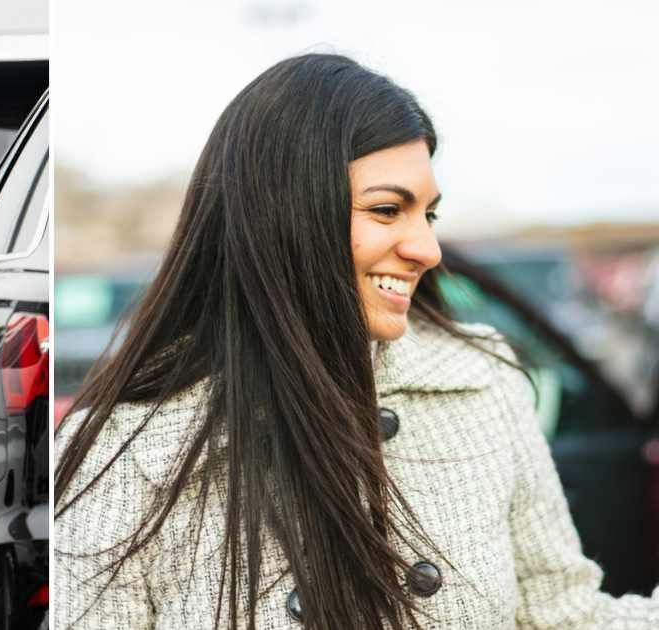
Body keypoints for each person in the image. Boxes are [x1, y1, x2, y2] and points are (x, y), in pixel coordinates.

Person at [53, 54, 659, 629]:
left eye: (429, 215)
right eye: (389, 209)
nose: (427, 249)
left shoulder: (482, 383)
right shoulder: (131, 442)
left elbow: (562, 618)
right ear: (288, 215)